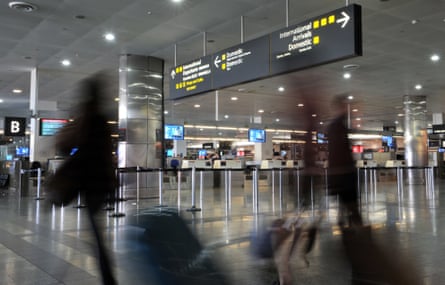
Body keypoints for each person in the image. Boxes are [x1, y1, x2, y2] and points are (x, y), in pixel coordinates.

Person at [54, 74, 117, 285]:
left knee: (96, 234)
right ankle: (107, 276)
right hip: (100, 183)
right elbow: (106, 156)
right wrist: (112, 186)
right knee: (97, 233)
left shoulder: (85, 118)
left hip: (87, 182)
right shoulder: (102, 120)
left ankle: (107, 276)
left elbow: (66, 148)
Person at [326, 96, 363, 227]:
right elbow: (340, 152)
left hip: (340, 174)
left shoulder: (336, 125)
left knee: (345, 205)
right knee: (351, 205)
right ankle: (359, 234)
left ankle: (347, 228)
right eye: (345, 106)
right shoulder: (338, 126)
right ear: (341, 107)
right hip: (344, 174)